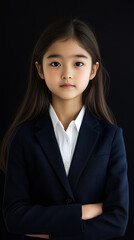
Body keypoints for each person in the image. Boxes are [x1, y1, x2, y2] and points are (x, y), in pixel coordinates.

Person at [0, 17, 129, 240]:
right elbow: (14, 217)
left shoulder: (110, 137)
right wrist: (82, 211)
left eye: (78, 63)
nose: (66, 73)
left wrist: (49, 232)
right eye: (55, 63)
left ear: (93, 69)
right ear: (39, 69)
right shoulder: (23, 137)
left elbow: (117, 221)